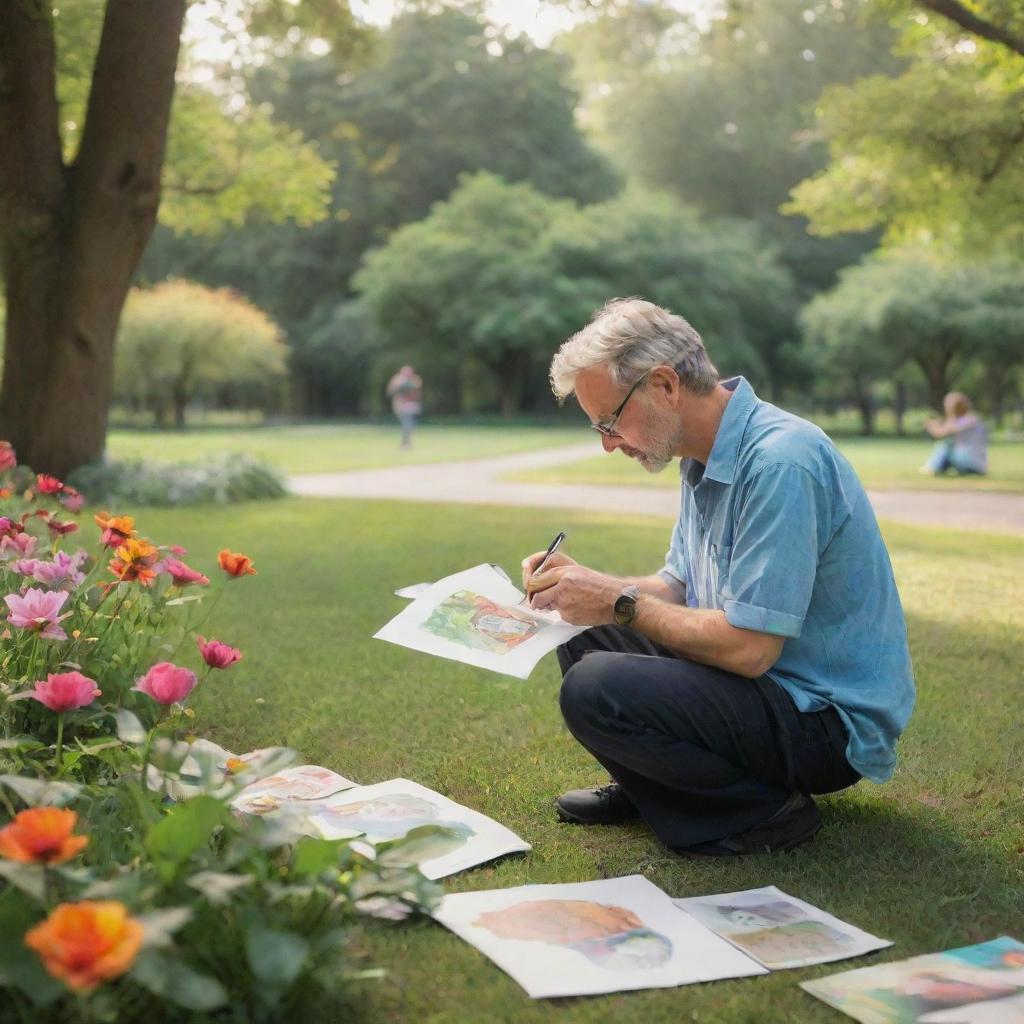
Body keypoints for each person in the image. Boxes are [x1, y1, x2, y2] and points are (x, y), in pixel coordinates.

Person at [521, 298, 915, 856]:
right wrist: (581, 587)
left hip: (822, 719)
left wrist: (614, 599)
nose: (608, 442)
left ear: (664, 385)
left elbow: (750, 649)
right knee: (582, 628)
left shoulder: (781, 461)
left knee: (594, 685)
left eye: (609, 421)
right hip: (765, 689)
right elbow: (677, 586)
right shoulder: (700, 455)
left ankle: (761, 814)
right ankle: (654, 784)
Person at [920, 392, 988, 476]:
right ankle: (935, 467)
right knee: (949, 446)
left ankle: (932, 467)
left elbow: (940, 434)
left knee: (946, 445)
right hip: (979, 465)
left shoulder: (966, 420)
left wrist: (932, 425)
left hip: (971, 463)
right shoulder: (973, 419)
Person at [386, 365, 423, 448]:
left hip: (412, 406)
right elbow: (391, 391)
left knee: (410, 425)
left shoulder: (414, 379)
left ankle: (407, 442)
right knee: (407, 424)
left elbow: (417, 392)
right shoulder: (398, 380)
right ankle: (405, 443)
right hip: (401, 406)